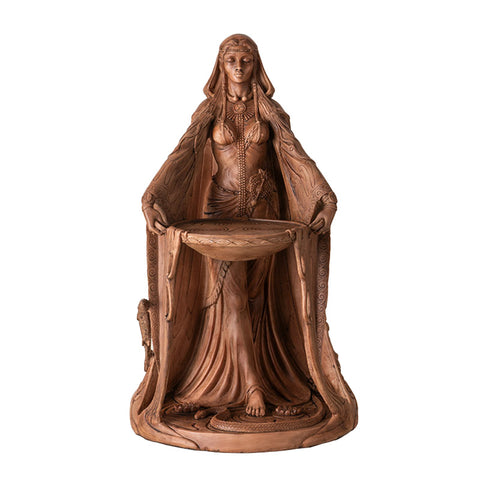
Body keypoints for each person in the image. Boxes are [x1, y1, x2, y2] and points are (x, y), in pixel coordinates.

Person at [131, 34, 357, 448]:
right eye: (231, 59)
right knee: (231, 297)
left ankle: (261, 377)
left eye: (246, 59)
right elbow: (181, 156)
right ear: (221, 66)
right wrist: (151, 198)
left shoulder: (268, 111)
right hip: (218, 213)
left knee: (259, 301)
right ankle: (252, 386)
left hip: (264, 210)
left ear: (256, 65)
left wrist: (326, 199)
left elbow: (295, 155)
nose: (238, 66)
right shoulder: (210, 111)